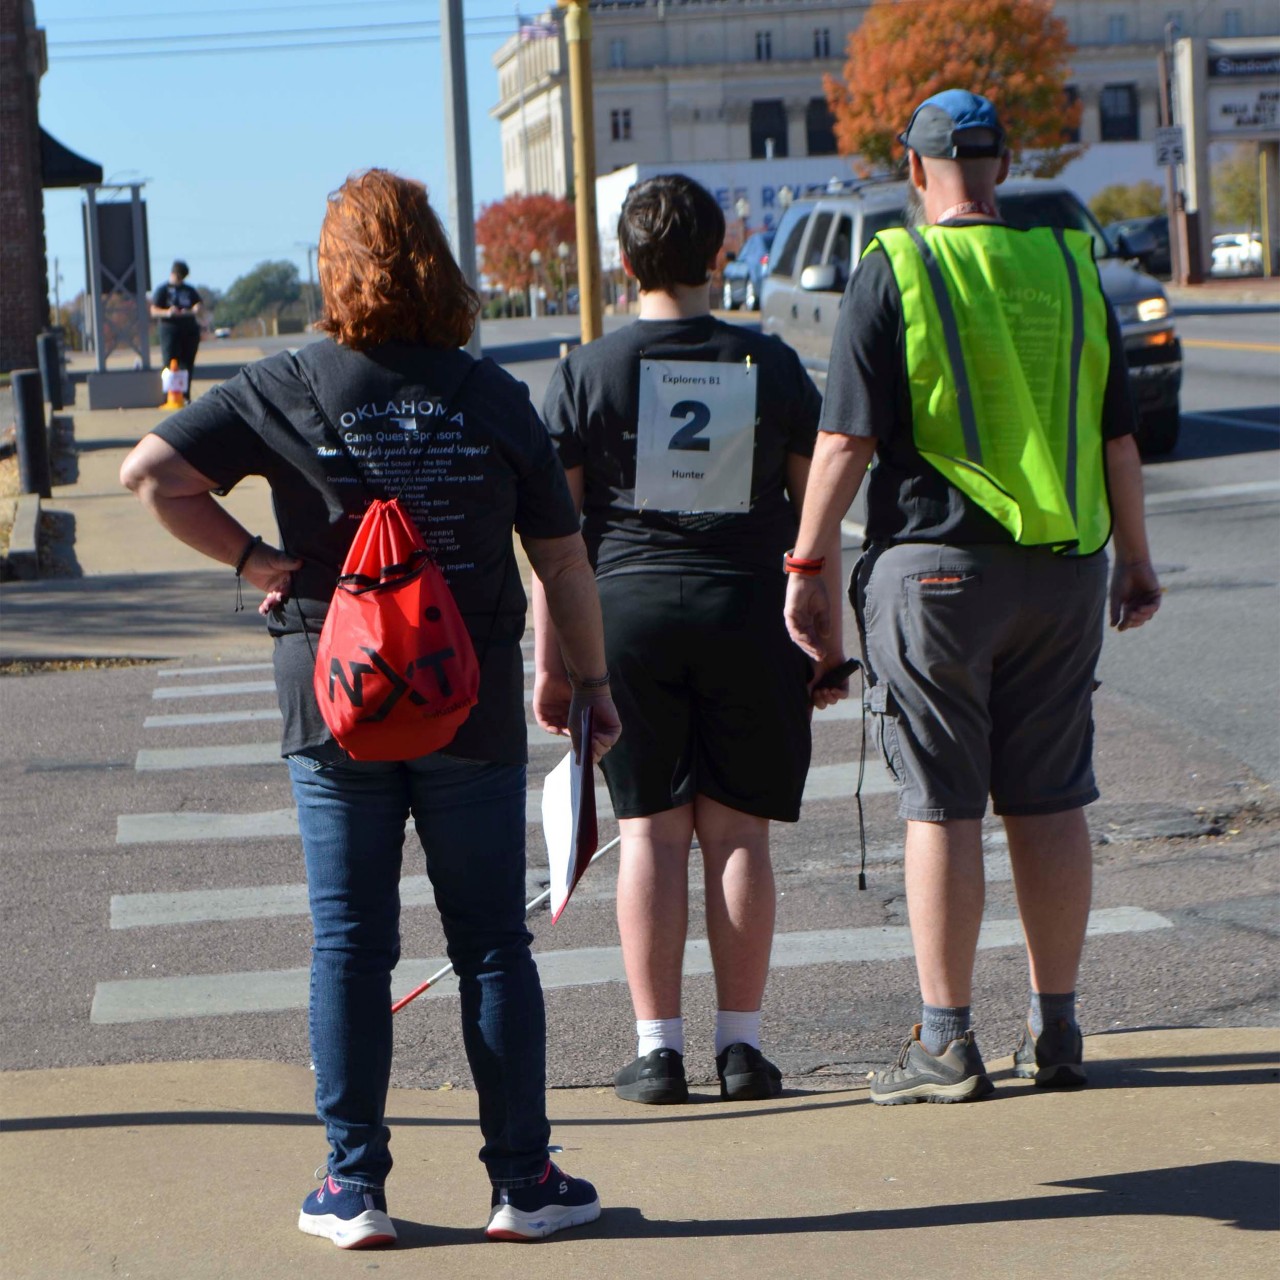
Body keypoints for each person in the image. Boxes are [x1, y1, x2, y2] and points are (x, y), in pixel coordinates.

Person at [121, 169, 621, 1247]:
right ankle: (523, 1181)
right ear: (438, 262)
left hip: (330, 697)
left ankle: (353, 1187)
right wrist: (588, 681)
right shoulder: (490, 395)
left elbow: (150, 471)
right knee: (491, 942)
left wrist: (257, 556)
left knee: (349, 941)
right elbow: (565, 560)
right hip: (468, 699)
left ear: (332, 267)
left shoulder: (290, 381)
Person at [784, 91, 1162, 1105]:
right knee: (1048, 796)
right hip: (1065, 568)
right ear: (1002, 164)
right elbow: (1115, 437)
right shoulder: (1071, 269)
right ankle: (1058, 1023)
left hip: (937, 572)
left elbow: (842, 442)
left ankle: (946, 1040)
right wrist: (1133, 558)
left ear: (913, 170)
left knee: (943, 802)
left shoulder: (897, 267)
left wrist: (806, 567)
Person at [535, 174, 841, 1107]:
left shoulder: (586, 372)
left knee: (649, 838)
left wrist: (552, 664)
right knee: (739, 832)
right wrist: (824, 637)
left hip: (623, 613)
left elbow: (557, 540)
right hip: (748, 607)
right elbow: (811, 519)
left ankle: (656, 1051)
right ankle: (742, 1049)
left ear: (624, 262)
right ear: (721, 255)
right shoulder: (772, 366)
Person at [150, 260, 202, 402]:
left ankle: (185, 395)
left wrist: (193, 309)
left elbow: (198, 304)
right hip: (170, 329)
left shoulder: (189, 290)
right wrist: (168, 312)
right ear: (173, 273)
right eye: (178, 277)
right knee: (170, 362)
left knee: (187, 364)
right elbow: (153, 310)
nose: (180, 280)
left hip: (189, 329)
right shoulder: (163, 290)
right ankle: (169, 395)